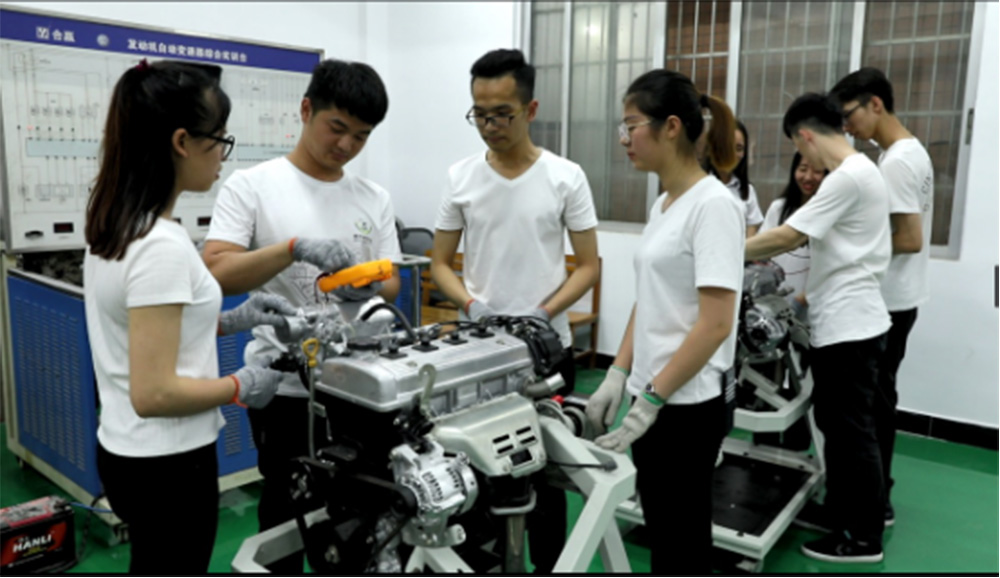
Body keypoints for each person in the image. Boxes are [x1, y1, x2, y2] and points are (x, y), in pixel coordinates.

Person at [83, 59, 288, 574]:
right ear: (182, 142)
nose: (222, 156)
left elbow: (147, 331)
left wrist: (234, 319)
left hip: (125, 451)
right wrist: (241, 384)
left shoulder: (115, 224)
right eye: (219, 139)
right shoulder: (161, 247)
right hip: (169, 464)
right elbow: (154, 394)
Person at [202, 59, 400, 573]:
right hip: (285, 390)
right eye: (337, 127)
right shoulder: (252, 186)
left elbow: (392, 281)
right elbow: (216, 270)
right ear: (306, 109)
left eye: (362, 136)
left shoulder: (372, 197)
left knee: (359, 510)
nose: (347, 145)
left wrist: (365, 284)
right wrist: (291, 249)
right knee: (287, 509)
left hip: (358, 388)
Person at [430, 48, 600, 573]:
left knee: (546, 473)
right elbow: (439, 263)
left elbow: (589, 266)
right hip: (478, 356)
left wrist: (542, 313)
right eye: (479, 114)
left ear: (530, 110)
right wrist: (471, 305)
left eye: (502, 114)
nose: (489, 126)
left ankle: (548, 567)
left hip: (547, 353)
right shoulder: (460, 177)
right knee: (476, 472)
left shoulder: (565, 176)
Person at [585, 69, 744, 574]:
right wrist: (618, 374)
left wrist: (652, 399)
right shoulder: (664, 203)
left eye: (631, 125)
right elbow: (650, 299)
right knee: (663, 530)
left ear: (671, 127)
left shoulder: (714, 206)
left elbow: (716, 324)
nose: (624, 138)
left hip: (685, 406)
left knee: (682, 541)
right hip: (653, 396)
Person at [745, 92, 891, 563]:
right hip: (849, 321)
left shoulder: (847, 177)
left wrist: (719, 249)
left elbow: (790, 235)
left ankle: (863, 537)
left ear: (804, 136)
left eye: (798, 147)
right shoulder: (863, 170)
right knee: (838, 428)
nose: (804, 162)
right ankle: (841, 513)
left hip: (851, 325)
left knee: (851, 435)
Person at [831, 67, 934, 527]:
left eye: (849, 115)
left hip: (888, 303)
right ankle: (879, 495)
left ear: (876, 103)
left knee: (869, 410)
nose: (847, 128)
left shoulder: (896, 162)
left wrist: (851, 244)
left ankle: (874, 506)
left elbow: (909, 238)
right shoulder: (909, 151)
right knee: (879, 403)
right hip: (903, 297)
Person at [759, 152, 827, 312]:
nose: (808, 177)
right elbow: (763, 254)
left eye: (817, 171)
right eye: (803, 169)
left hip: (815, 309)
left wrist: (801, 300)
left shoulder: (829, 215)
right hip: (775, 305)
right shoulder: (778, 209)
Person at [706, 120, 765, 236]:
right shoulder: (698, 185)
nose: (732, 154)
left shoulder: (747, 191)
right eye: (727, 147)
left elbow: (751, 236)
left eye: (739, 148)